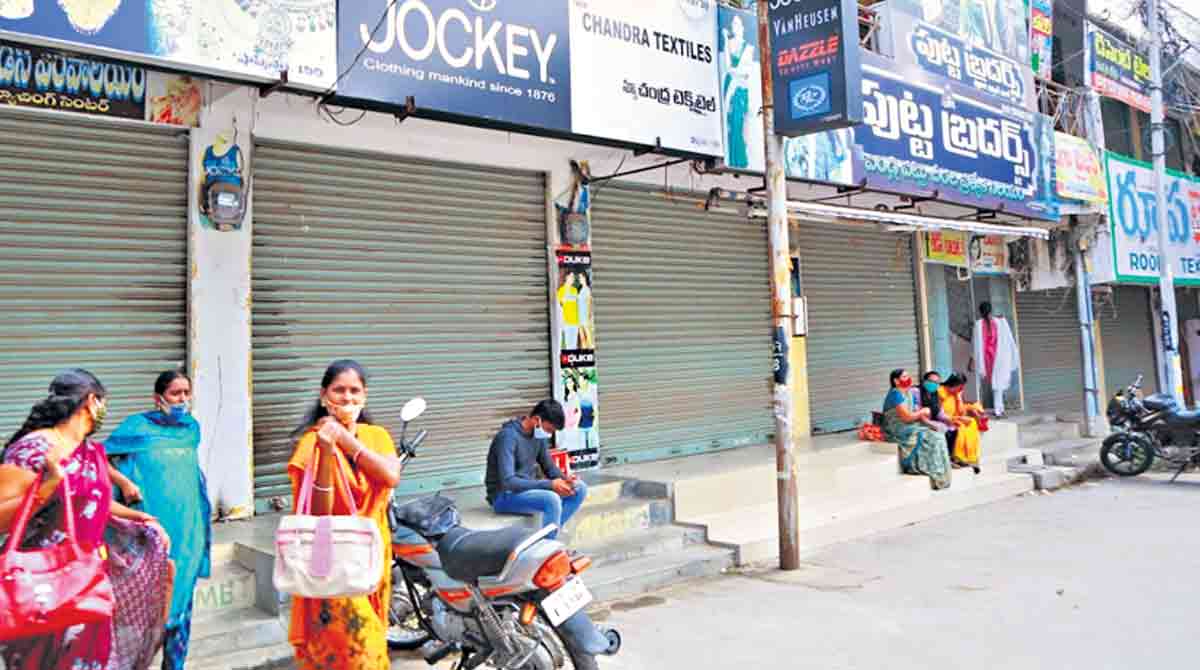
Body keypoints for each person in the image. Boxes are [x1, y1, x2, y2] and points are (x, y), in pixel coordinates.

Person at [0, 369, 172, 670]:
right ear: (91, 401)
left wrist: (142, 518)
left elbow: (94, 503)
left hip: (86, 583)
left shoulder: (89, 451)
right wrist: (48, 486)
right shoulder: (34, 448)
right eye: (103, 402)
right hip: (45, 587)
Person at [286, 360, 402, 670]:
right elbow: (319, 512)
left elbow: (390, 476)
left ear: (365, 396)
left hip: (372, 554)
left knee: (374, 638)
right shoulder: (311, 443)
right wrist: (326, 450)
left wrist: (344, 439)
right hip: (332, 559)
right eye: (339, 390)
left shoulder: (376, 435)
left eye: (355, 391)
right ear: (324, 396)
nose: (347, 398)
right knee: (357, 650)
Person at [106, 370, 212, 670]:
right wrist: (124, 484)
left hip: (188, 529)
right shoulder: (135, 427)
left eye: (186, 393)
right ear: (158, 398)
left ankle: (174, 665)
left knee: (181, 601)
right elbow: (96, 457)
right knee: (147, 609)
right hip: (151, 531)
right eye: (176, 393)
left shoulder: (192, 428)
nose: (182, 400)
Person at [486, 400, 588, 539]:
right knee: (551, 499)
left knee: (579, 488)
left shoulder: (538, 436)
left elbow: (549, 468)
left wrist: (566, 479)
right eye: (549, 430)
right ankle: (547, 548)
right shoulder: (507, 437)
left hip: (526, 489)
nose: (550, 435)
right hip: (504, 495)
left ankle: (547, 535)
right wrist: (549, 485)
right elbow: (508, 481)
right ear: (537, 420)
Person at [881, 369, 952, 490]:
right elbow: (907, 417)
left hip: (912, 424)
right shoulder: (895, 394)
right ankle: (920, 467)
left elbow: (915, 413)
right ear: (896, 381)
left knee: (938, 436)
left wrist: (929, 423)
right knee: (930, 438)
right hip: (898, 427)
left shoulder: (908, 393)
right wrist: (922, 411)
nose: (908, 378)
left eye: (908, 375)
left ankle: (940, 475)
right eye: (904, 376)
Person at [971, 302, 1020, 417]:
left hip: (986, 359)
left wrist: (973, 358)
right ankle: (998, 410)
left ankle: (990, 408)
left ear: (980, 311)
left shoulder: (978, 324)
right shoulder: (999, 322)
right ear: (991, 310)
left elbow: (975, 344)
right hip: (999, 357)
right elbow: (1007, 338)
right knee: (998, 385)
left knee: (990, 384)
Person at [721, 14, 753, 169]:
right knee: (729, 122)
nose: (735, 26)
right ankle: (732, 160)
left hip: (741, 88)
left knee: (739, 123)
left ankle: (741, 160)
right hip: (730, 86)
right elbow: (728, 67)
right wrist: (726, 41)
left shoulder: (749, 47)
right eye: (733, 24)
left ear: (743, 27)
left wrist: (735, 71)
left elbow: (746, 72)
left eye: (738, 24)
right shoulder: (729, 44)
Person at [940, 373, 988, 474]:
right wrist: (956, 418)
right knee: (960, 427)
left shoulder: (956, 394)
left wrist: (960, 399)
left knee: (972, 423)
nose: (961, 389)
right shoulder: (941, 392)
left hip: (955, 418)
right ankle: (957, 457)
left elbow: (961, 411)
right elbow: (939, 412)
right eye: (959, 387)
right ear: (953, 384)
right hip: (944, 419)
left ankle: (969, 457)